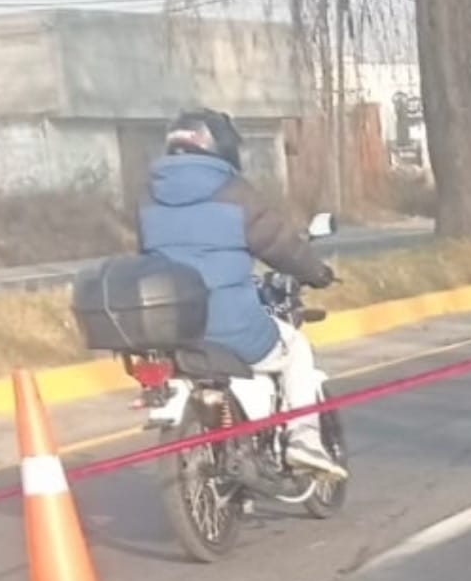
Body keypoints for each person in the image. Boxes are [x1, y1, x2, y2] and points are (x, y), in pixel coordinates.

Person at [138, 108, 344, 480]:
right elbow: (280, 245)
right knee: (296, 348)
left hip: (171, 328)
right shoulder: (234, 192)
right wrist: (317, 273)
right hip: (229, 324)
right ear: (221, 146)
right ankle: (304, 440)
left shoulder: (148, 197)